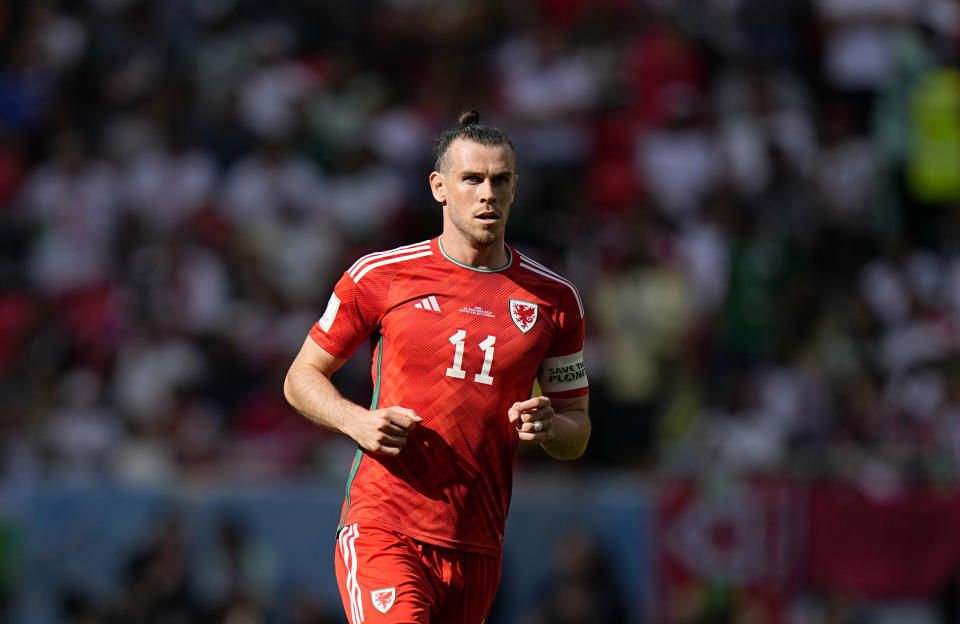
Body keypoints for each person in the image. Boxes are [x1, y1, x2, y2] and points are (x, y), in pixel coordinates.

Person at [283, 110, 591, 623]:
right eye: (471, 179)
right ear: (439, 187)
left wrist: (550, 425)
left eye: (500, 179)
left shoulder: (555, 300)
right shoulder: (380, 276)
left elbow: (577, 431)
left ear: (516, 187)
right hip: (385, 523)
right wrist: (355, 420)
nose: (487, 193)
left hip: (478, 543)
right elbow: (300, 377)